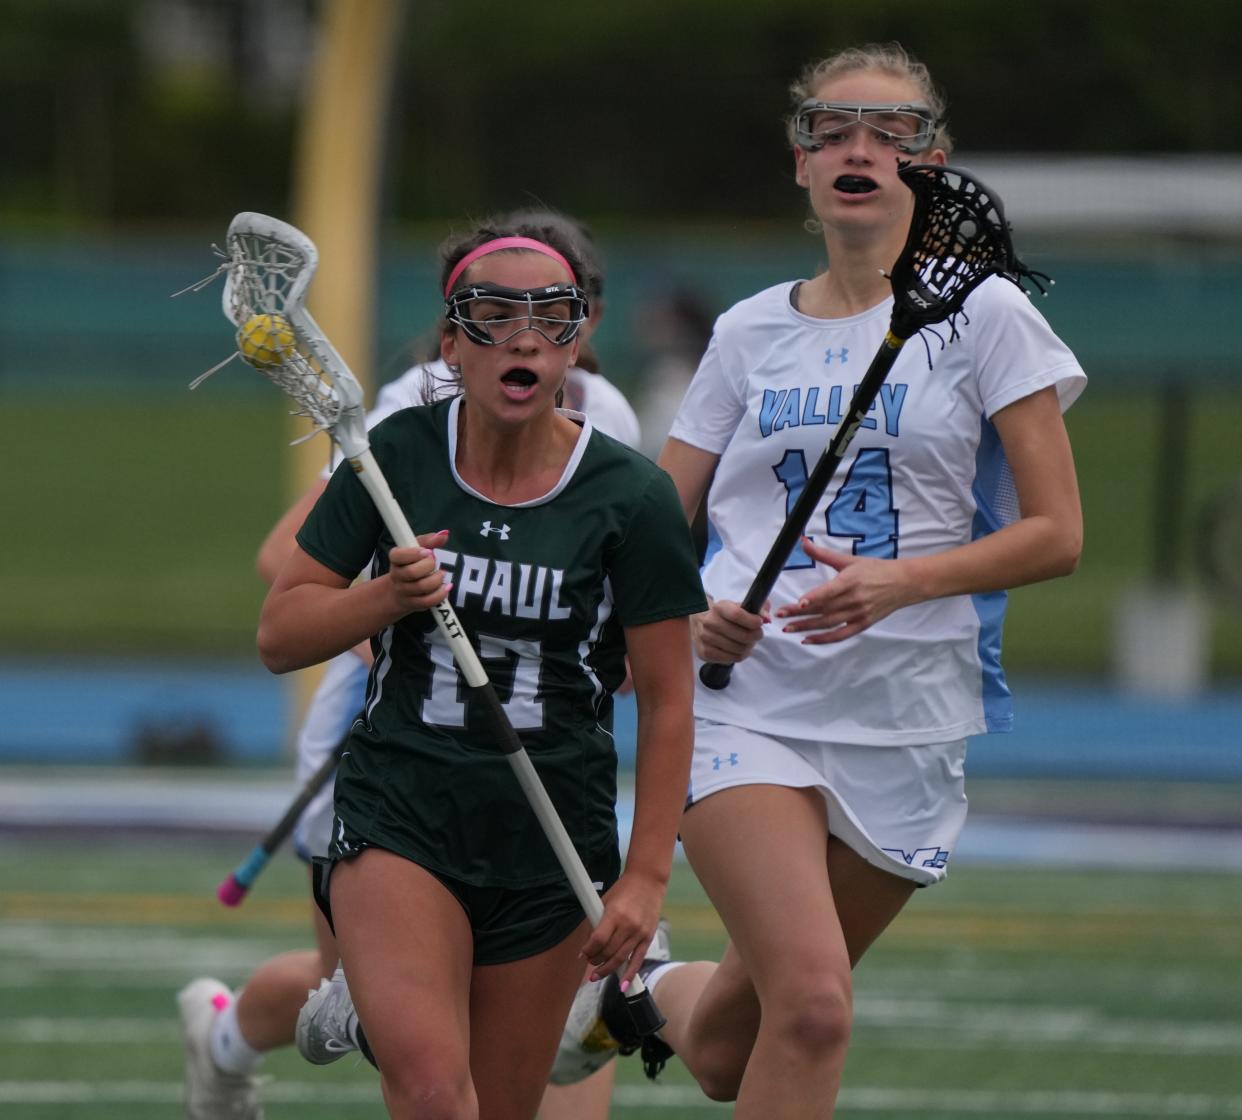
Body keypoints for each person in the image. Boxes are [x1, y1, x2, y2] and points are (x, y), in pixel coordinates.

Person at [571, 42, 1086, 1117]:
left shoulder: (988, 319)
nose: (859, 149)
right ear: (800, 161)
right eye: (831, 130)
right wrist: (683, 609)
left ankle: (640, 991)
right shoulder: (748, 332)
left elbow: (1056, 534)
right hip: (744, 706)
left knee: (726, 1051)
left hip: (907, 712)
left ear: (931, 161)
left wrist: (905, 582)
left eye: (889, 131)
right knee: (814, 1005)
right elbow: (658, 522)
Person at [176, 211, 660, 1120]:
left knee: (503, 1057)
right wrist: (390, 613)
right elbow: (286, 571)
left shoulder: (612, 436)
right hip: (393, 737)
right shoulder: (401, 419)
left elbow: (622, 624)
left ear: (584, 321)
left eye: (556, 311)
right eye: (500, 310)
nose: (529, 334)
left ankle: (354, 1013)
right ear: (458, 328)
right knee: (407, 1032)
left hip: (535, 770)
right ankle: (277, 1025)